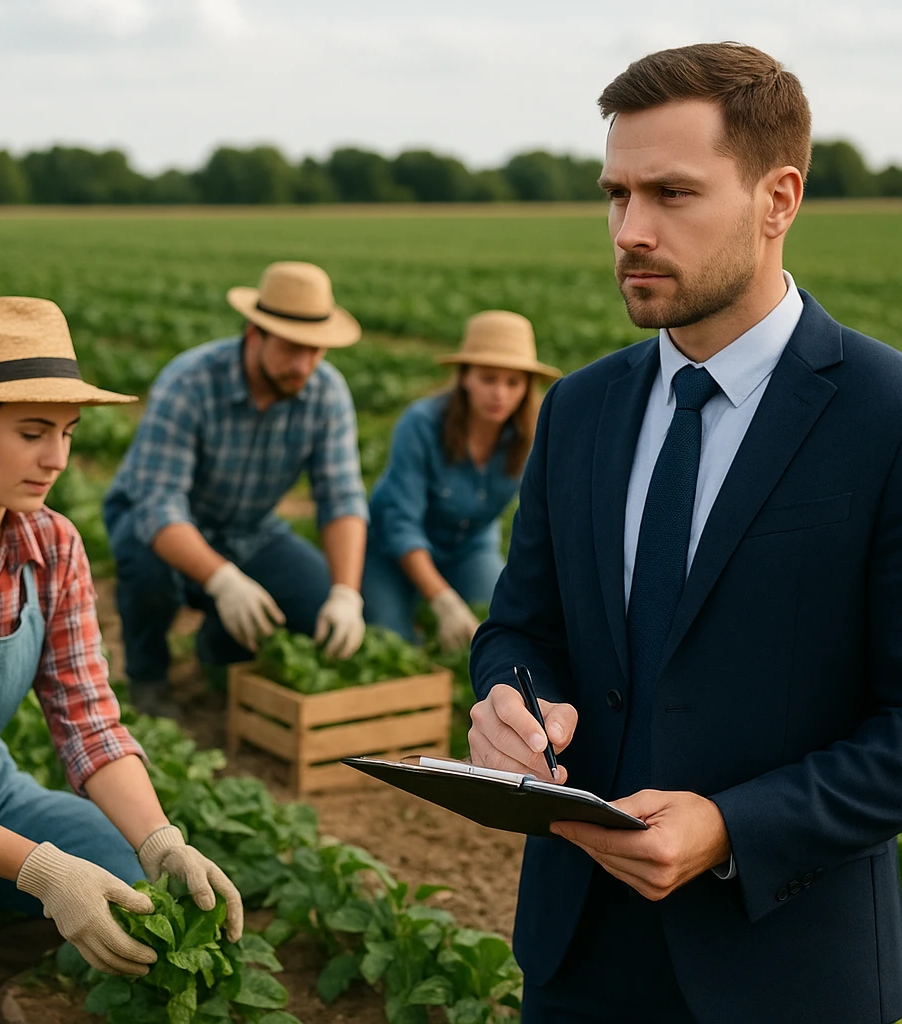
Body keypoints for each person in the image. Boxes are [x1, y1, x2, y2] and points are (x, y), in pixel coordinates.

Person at [467, 42, 902, 1024]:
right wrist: (510, 698)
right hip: (575, 957)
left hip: (785, 968)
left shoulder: (885, 416)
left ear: (777, 198)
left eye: (671, 194)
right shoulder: (577, 410)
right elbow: (520, 626)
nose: (630, 229)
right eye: (615, 195)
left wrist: (732, 826)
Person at [0, 296, 244, 1024]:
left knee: (141, 886)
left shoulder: (53, 546)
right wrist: (43, 871)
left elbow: (89, 724)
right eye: (33, 432)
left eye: (69, 433)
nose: (58, 459)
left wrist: (159, 837)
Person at [103, 261, 369, 715]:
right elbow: (158, 506)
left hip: (250, 529)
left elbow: (341, 496)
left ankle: (219, 647)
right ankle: (148, 676)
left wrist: (347, 592)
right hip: (162, 527)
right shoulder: (190, 382)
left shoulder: (326, 392)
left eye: (316, 350)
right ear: (254, 333)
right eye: (291, 348)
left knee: (316, 601)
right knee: (148, 570)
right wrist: (223, 580)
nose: (304, 365)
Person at [363, 310, 559, 648]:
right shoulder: (421, 425)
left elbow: (550, 521)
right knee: (390, 639)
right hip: (391, 549)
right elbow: (400, 524)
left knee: (500, 632)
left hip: (470, 546)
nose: (500, 393)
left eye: (513, 382)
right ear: (464, 376)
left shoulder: (532, 436)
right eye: (488, 379)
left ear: (527, 387)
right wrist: (442, 599)